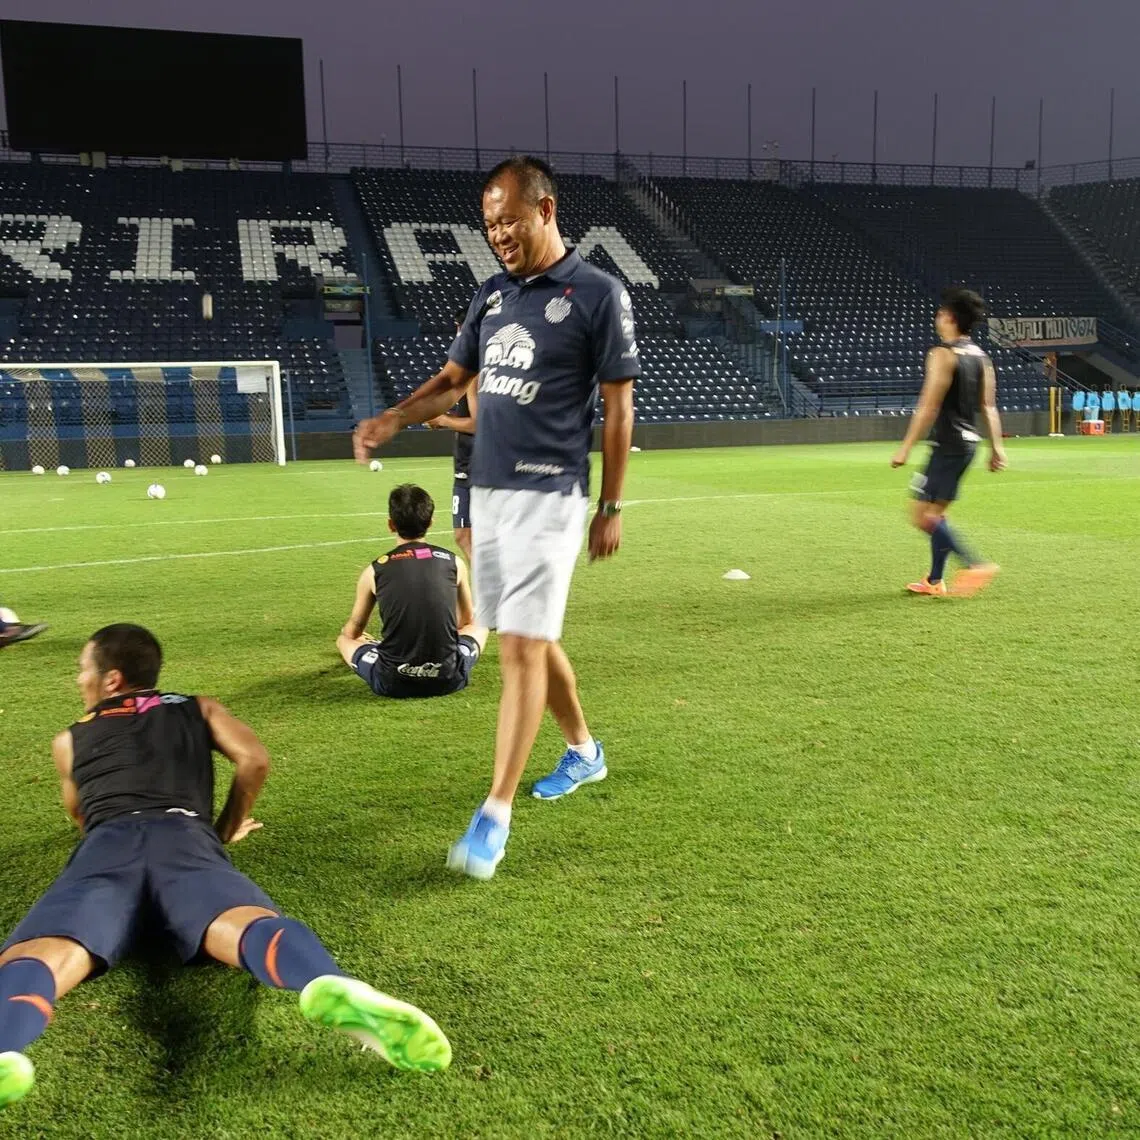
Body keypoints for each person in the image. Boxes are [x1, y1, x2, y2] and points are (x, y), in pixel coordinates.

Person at [0, 624, 451, 1108]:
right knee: (242, 924)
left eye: (81, 670)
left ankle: (6, 1046)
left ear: (111, 680)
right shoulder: (200, 707)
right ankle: (326, 981)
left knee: (41, 951)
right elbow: (253, 760)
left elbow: (81, 816)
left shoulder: (69, 739)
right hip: (186, 837)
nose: (78, 680)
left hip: (109, 842)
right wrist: (221, 830)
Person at [353, 156, 638, 880]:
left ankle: (494, 815)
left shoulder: (598, 294)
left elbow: (618, 406)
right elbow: (452, 382)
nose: (499, 235)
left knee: (516, 652)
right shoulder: (490, 298)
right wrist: (392, 417)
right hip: (491, 496)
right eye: (489, 225)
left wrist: (610, 503)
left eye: (509, 219)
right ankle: (585, 750)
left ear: (546, 209)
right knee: (528, 640)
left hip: (551, 497)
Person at [891, 287, 1006, 597]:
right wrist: (997, 449)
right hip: (969, 444)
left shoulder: (943, 354)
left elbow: (928, 406)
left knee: (921, 516)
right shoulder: (982, 357)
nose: (937, 319)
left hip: (948, 444)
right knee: (937, 516)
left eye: (940, 314)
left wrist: (905, 447)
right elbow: (989, 406)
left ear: (951, 318)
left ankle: (974, 563)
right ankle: (934, 580)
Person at [337, 483, 488, 699]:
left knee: (344, 640)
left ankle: (379, 651)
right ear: (431, 523)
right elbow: (465, 621)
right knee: (479, 625)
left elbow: (354, 631)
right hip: (449, 677)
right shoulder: (454, 563)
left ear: (391, 524)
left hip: (392, 681)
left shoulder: (374, 571)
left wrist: (358, 639)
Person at [426, 313, 479, 562]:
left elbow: (480, 424)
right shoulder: (468, 372)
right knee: (463, 536)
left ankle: (494, 590)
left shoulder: (476, 374)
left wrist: (444, 420)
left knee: (467, 536)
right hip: (465, 465)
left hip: (477, 466)